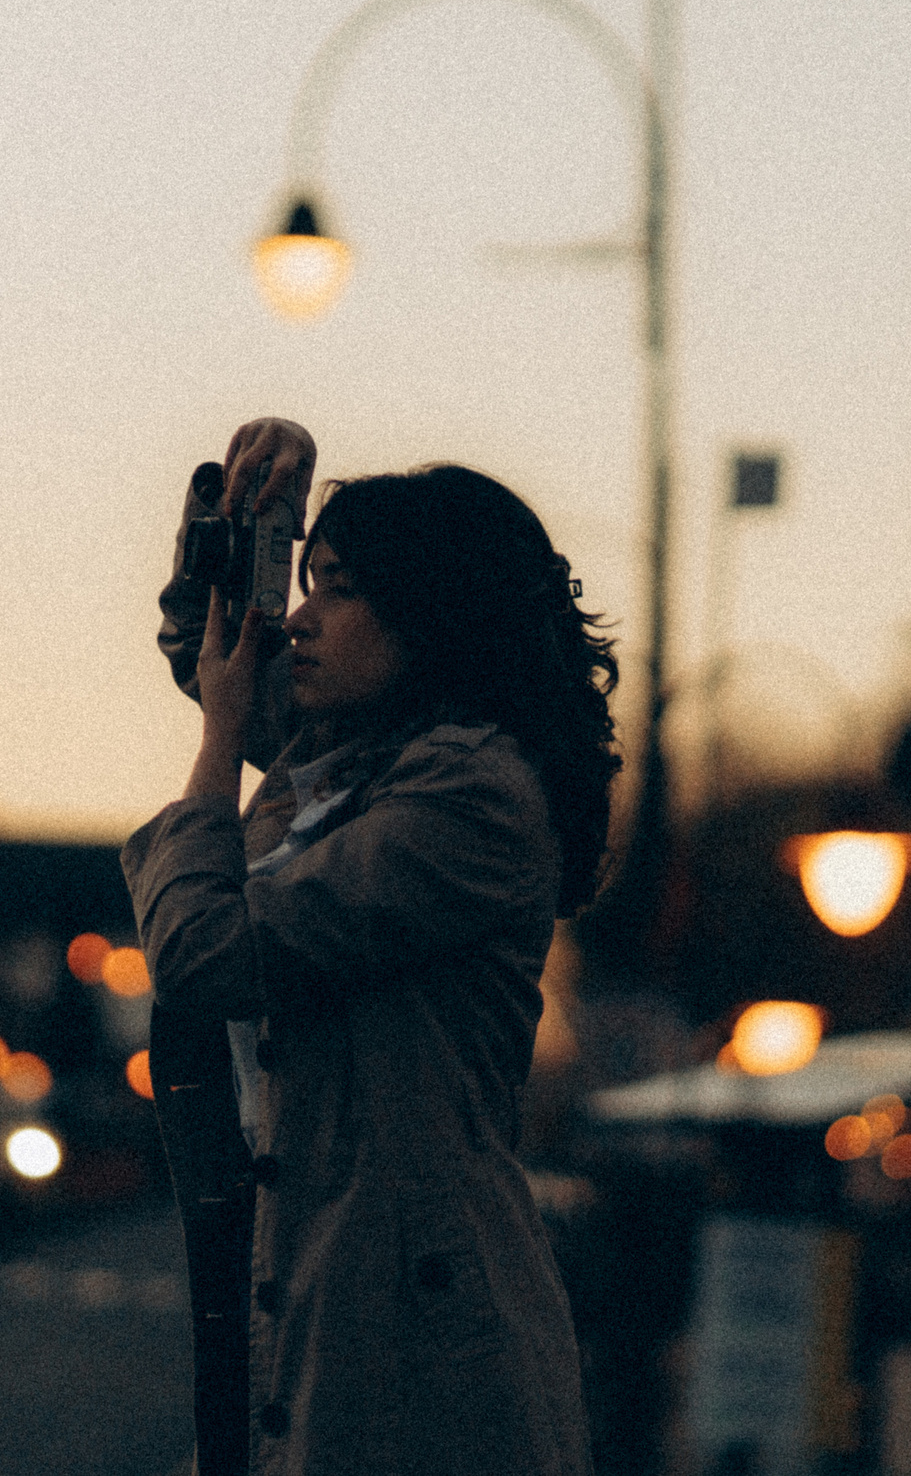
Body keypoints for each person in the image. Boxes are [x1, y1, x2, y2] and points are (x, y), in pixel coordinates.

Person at [124, 417, 612, 1476]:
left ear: (433, 611)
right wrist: (262, 515)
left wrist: (215, 751)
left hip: (419, 1344)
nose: (300, 618)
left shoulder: (469, 798)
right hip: (337, 1306)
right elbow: (221, 658)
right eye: (306, 582)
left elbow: (206, 953)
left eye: (337, 588)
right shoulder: (351, 767)